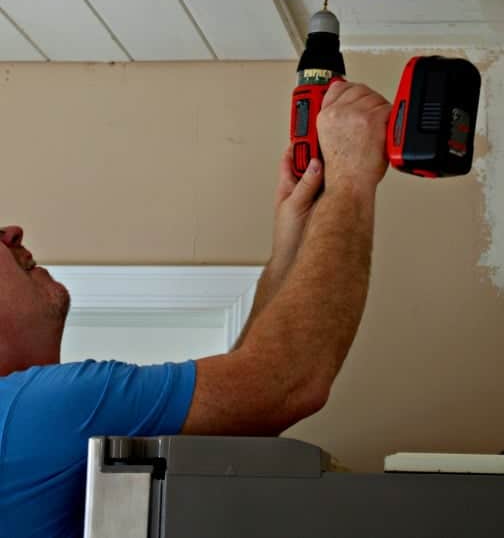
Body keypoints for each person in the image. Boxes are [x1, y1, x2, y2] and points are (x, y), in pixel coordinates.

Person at [0, 81, 391, 538]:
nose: (12, 232)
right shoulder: (31, 411)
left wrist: (290, 248)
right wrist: (351, 178)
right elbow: (286, 383)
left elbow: (238, 421)